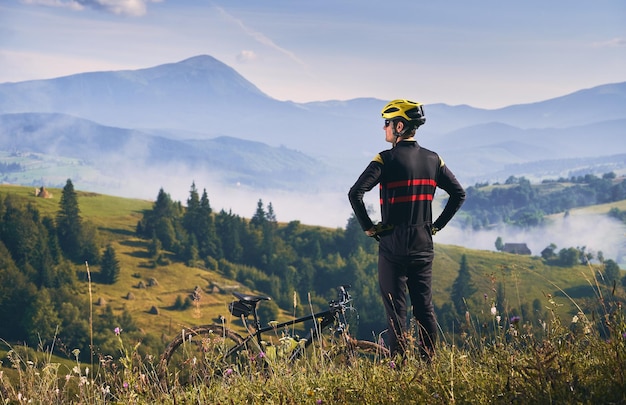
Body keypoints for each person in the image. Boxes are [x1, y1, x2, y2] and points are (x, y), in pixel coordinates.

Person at [348, 99, 465, 360]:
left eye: (387, 123)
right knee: (425, 309)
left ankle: (399, 367)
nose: (384, 128)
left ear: (399, 126)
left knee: (396, 311)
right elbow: (459, 194)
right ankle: (428, 365)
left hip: (393, 245)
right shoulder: (434, 159)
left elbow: (355, 193)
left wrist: (369, 228)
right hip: (423, 243)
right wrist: (436, 226)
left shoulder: (385, 159)